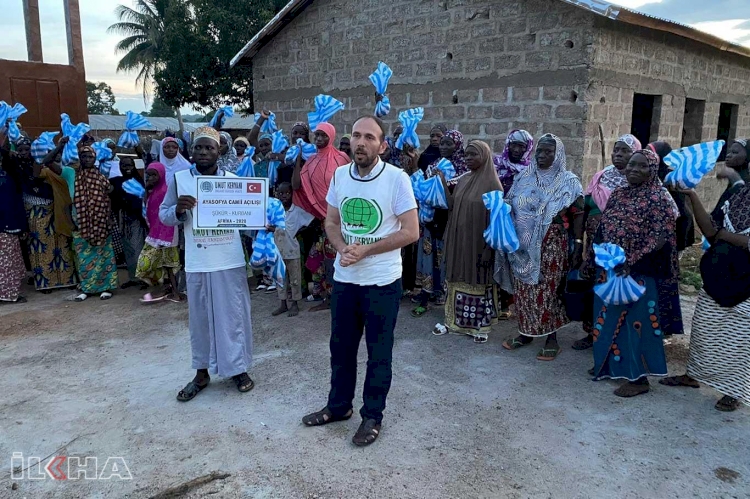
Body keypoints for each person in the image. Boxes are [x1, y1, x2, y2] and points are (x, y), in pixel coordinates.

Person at [302, 115, 418, 447]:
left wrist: (366, 250)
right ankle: (339, 407)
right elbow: (331, 222)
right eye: (356, 135)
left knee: (378, 352)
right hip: (345, 279)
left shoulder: (396, 179)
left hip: (382, 282)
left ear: (382, 145)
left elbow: (410, 232)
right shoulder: (340, 175)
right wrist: (341, 249)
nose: (361, 142)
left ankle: (372, 416)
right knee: (341, 348)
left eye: (369, 137)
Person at [160, 126, 254, 400]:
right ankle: (201, 373)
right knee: (200, 320)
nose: (203, 152)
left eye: (209, 147)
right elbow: (164, 215)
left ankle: (237, 368)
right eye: (198, 147)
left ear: (219, 150)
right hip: (198, 261)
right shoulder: (180, 180)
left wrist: (264, 224)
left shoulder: (232, 180)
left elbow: (246, 218)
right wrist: (178, 209)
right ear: (191, 150)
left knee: (233, 317)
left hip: (229, 259)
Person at [660, 148, 750, 411]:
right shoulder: (737, 197)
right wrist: (691, 195)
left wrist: (725, 236)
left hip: (746, 284)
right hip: (717, 276)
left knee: (740, 338)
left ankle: (733, 391)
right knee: (704, 330)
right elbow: (710, 230)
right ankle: (694, 375)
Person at [589, 149, 674, 397]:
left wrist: (632, 262)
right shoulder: (619, 194)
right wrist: (592, 257)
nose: (634, 170)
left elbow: (660, 238)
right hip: (609, 269)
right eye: (631, 165)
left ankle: (639, 379)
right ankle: (608, 365)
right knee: (606, 319)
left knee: (636, 324)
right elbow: (604, 227)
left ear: (653, 170)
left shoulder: (659, 199)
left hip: (638, 273)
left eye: (642, 166)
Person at [500, 134, 584, 361]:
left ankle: (551, 339)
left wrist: (578, 245)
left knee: (548, 290)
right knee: (524, 289)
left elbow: (578, 213)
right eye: (540, 151)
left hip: (551, 242)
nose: (543, 155)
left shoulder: (568, 181)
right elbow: (511, 201)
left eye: (549, 151)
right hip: (522, 243)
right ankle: (525, 332)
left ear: (558, 155)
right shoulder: (523, 177)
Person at [573, 134, 642, 350]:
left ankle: (614, 336)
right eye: (616, 150)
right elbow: (585, 207)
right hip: (595, 243)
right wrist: (581, 240)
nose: (618, 154)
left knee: (615, 289)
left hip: (620, 250)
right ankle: (592, 333)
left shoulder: (634, 183)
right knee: (594, 286)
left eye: (624, 151)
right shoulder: (601, 176)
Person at [437, 140, 502, 342]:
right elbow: (452, 206)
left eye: (473, 155)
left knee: (478, 280)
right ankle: (452, 322)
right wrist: (440, 182)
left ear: (485, 157)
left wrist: (488, 250)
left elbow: (496, 221)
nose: (468, 159)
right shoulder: (464, 179)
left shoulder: (493, 184)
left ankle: (479, 327)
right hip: (458, 240)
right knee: (456, 278)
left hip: (478, 244)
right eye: (466, 155)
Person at [6, 135, 77, 293]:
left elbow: (47, 162)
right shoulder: (17, 165)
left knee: (60, 243)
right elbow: (41, 163)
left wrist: (60, 147)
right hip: (34, 212)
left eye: (27, 149)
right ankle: (45, 283)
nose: (24, 152)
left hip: (53, 209)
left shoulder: (43, 166)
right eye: (20, 150)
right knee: (39, 247)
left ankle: (66, 279)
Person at [292, 122, 351, 311]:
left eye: (323, 135)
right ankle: (328, 295)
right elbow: (297, 187)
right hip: (321, 221)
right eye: (316, 135)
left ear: (331, 137)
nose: (319, 139)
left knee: (333, 257)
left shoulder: (342, 158)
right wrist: (298, 159)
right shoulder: (310, 162)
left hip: (342, 219)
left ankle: (335, 298)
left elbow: (350, 185)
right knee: (318, 258)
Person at [412, 130, 466, 318]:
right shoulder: (434, 164)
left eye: (448, 143)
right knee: (428, 254)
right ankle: (426, 294)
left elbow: (458, 194)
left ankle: (445, 296)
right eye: (442, 143)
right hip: (431, 218)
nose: (443, 146)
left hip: (449, 220)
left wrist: (442, 180)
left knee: (445, 258)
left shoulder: (463, 168)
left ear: (457, 145)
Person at [492, 129, 534, 319]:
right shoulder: (495, 165)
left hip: (519, 224)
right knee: (494, 259)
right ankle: (495, 301)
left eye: (521, 146)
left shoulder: (531, 172)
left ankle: (510, 303)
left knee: (514, 261)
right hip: (494, 221)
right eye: (513, 145)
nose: (516, 149)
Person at [69, 146, 120, 301]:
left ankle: (106, 288)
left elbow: (108, 196)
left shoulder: (100, 177)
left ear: (94, 159)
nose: (87, 160)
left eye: (90, 157)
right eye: (83, 157)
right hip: (82, 223)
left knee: (104, 255)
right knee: (84, 257)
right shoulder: (74, 176)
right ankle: (87, 288)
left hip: (101, 222)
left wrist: (109, 218)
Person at [136, 162, 181, 303]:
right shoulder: (152, 191)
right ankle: (170, 289)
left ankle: (175, 293)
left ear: (161, 175)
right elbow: (147, 210)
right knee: (164, 264)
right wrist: (146, 190)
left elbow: (168, 215)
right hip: (156, 233)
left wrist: (164, 237)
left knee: (163, 263)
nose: (150, 178)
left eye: (154, 175)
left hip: (166, 234)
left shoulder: (164, 192)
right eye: (148, 175)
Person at [270, 182, 314, 317]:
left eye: (287, 193)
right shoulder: (273, 210)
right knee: (280, 278)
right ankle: (283, 303)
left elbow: (312, 220)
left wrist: (299, 231)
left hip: (292, 250)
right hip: (277, 250)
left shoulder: (297, 211)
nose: (284, 196)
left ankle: (295, 303)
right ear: (276, 194)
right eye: (281, 193)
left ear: (292, 194)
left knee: (295, 279)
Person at [110, 156, 147, 289]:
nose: (127, 168)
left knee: (137, 248)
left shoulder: (138, 181)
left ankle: (142, 278)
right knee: (127, 250)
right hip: (123, 219)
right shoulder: (116, 182)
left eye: (130, 165)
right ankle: (132, 278)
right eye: (124, 166)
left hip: (137, 219)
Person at [0, 132, 28, 304]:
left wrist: (22, 226)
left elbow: (16, 203)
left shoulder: (9, 178)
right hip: (5, 226)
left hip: (8, 226)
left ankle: (9, 293)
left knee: (9, 261)